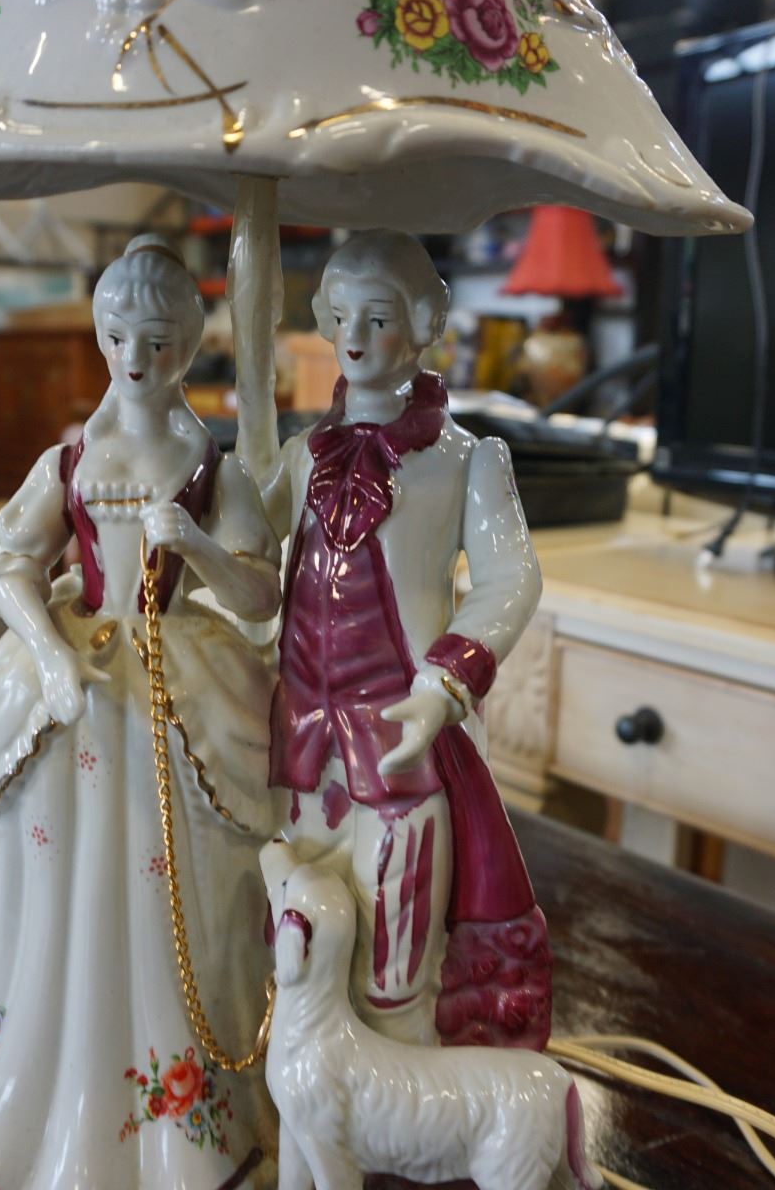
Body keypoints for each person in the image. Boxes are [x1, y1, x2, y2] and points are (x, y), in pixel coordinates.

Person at [0, 236, 280, 1190]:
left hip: (178, 679)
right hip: (83, 685)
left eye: (157, 339)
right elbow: (6, 569)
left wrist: (200, 549)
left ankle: (184, 1090)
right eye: (117, 337)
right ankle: (49, 1066)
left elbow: (262, 592)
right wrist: (50, 651)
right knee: (68, 876)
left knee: (180, 879)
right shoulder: (69, 458)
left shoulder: (210, 464)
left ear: (188, 344)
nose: (135, 358)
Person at [240, 230, 552, 1053]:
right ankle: (303, 1097)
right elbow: (247, 546)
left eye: (376, 318)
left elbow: (510, 578)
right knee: (295, 946)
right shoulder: (304, 455)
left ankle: (397, 1100)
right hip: (302, 742)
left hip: (399, 745)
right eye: (340, 315)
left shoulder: (468, 461)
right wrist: (233, 466)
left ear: (422, 326)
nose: (353, 335)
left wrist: (444, 683)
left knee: (392, 956)